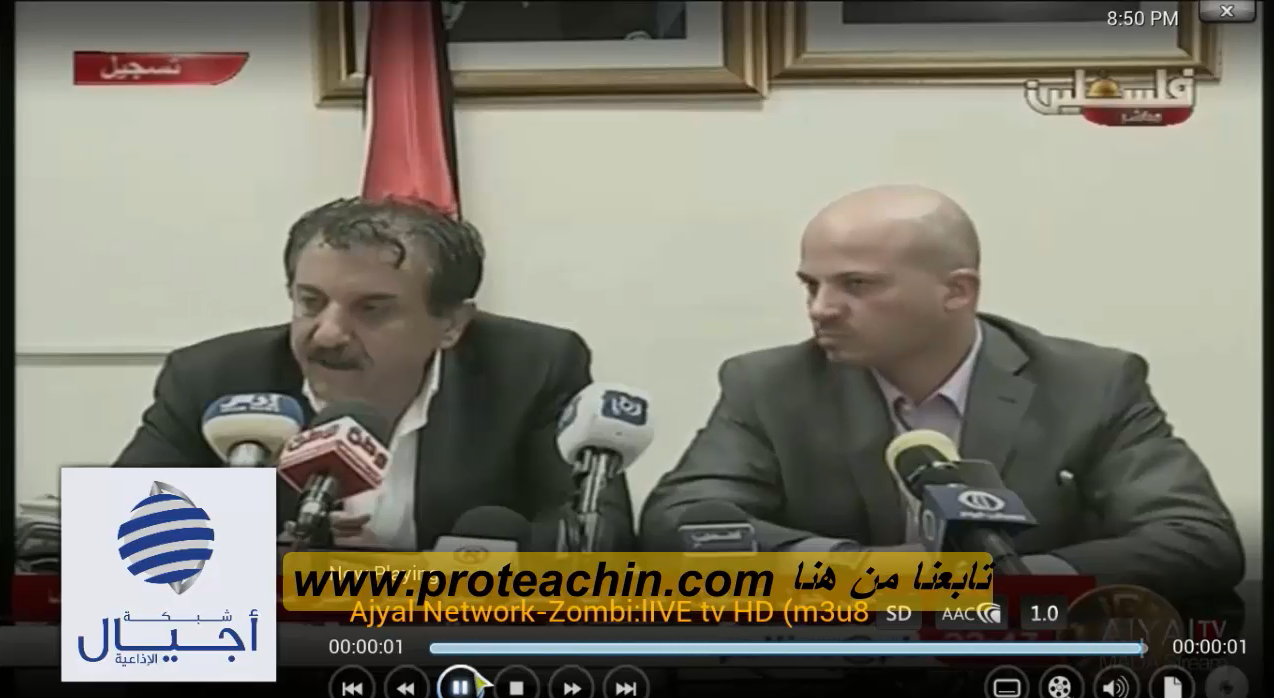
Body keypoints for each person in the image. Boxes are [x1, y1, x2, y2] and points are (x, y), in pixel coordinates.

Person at [641, 184, 1243, 599]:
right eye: (811, 285)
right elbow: (678, 522)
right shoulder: (769, 385)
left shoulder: (1091, 383)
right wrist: (856, 570)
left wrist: (1006, 582)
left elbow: (1196, 539)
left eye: (857, 284)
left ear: (957, 291)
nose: (821, 309)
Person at [115, 196, 634, 551]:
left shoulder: (531, 368)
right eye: (310, 302)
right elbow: (126, 534)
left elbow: (594, 540)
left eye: (372, 309)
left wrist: (401, 580)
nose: (327, 333)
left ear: (451, 324)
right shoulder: (214, 378)